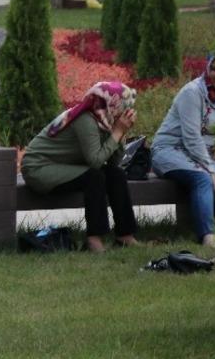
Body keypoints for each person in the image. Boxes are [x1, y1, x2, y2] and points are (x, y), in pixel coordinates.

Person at [21, 82, 140, 253]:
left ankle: (125, 235)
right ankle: (94, 240)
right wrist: (116, 132)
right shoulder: (86, 119)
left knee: (116, 174)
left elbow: (113, 163)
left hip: (65, 165)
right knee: (94, 176)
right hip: (39, 168)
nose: (125, 113)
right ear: (111, 105)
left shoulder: (104, 119)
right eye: (124, 108)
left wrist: (121, 132)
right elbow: (95, 162)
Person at [152, 56, 215, 249]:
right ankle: (208, 237)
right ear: (208, 69)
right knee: (202, 178)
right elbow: (191, 137)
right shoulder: (192, 93)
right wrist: (210, 170)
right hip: (171, 149)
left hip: (208, 152)